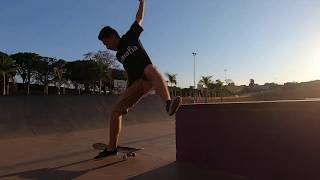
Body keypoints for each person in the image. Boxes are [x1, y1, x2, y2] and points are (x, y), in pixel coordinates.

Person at [94, 0, 181, 159]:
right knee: (115, 111)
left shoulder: (130, 36)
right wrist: (127, 93)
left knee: (151, 68)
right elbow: (130, 70)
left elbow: (139, 18)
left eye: (106, 43)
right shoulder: (119, 55)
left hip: (148, 78)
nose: (107, 47)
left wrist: (142, 2)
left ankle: (168, 104)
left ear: (113, 36)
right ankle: (111, 147)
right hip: (135, 84)